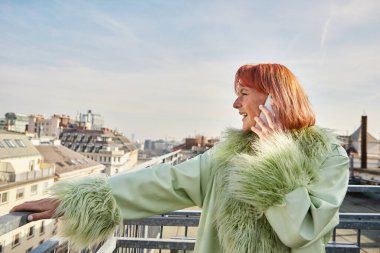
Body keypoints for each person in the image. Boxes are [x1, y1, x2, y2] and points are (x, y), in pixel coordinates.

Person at [11, 63, 349, 253]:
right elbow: (165, 181)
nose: (235, 105)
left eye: (243, 94)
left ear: (276, 101)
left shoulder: (329, 158)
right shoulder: (226, 156)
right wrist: (80, 199)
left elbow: (299, 231)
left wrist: (276, 157)